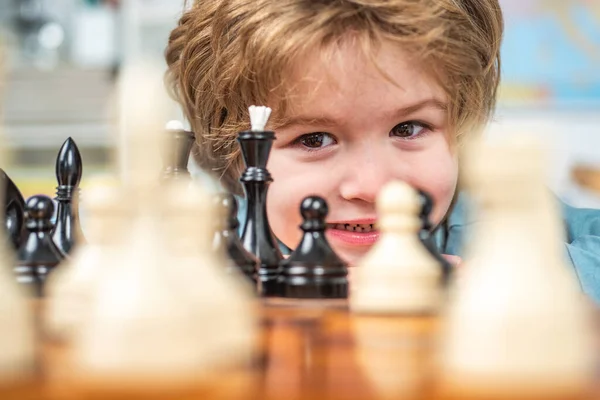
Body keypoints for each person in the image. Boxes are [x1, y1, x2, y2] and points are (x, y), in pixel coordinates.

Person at [164, 0, 600, 303]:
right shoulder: (206, 250)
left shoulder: (500, 217)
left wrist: (517, 282)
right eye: (314, 139)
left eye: (409, 128)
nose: (373, 186)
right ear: (242, 155)